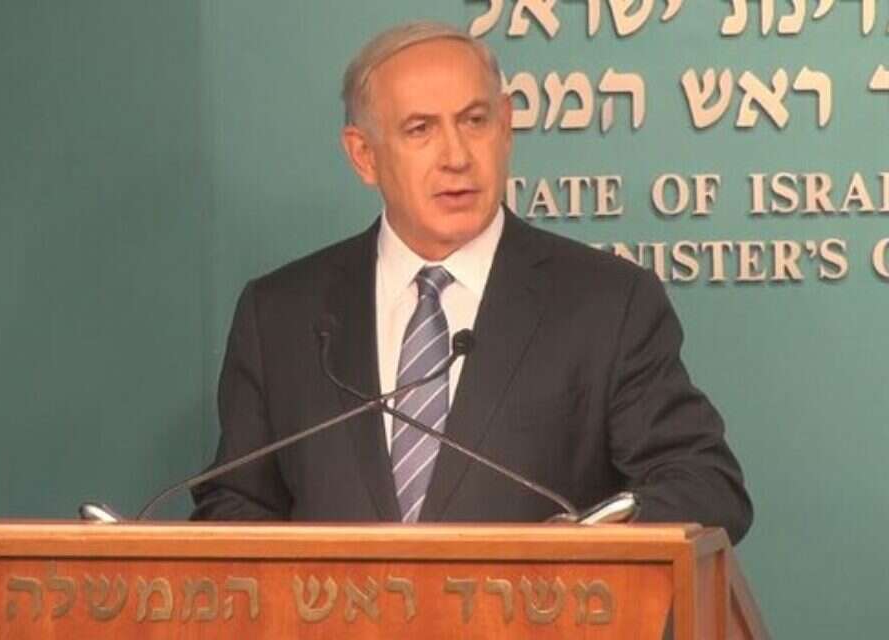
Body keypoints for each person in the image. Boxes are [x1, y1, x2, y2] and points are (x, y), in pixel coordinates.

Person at [191, 21, 752, 543]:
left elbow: (705, 485)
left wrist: (581, 551)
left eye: (474, 121)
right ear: (364, 155)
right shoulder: (281, 314)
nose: (456, 156)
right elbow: (235, 503)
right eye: (420, 129)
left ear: (506, 126)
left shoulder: (608, 304)